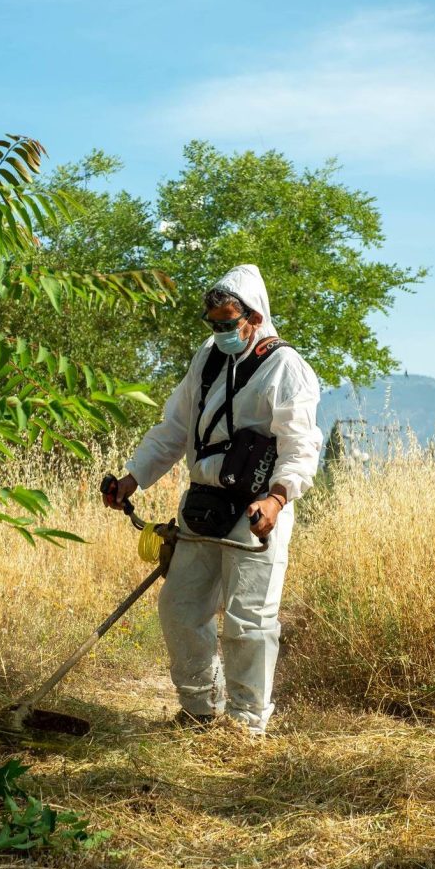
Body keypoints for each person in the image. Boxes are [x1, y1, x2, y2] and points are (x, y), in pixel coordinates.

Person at [104, 264, 322, 734]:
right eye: (214, 324)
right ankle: (199, 709)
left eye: (229, 323)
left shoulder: (287, 368)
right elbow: (174, 429)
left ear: (255, 318)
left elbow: (301, 445)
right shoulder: (205, 359)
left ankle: (245, 726)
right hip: (202, 505)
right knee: (179, 607)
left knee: (248, 622)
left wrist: (278, 500)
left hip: (256, 511)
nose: (221, 332)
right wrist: (132, 479)